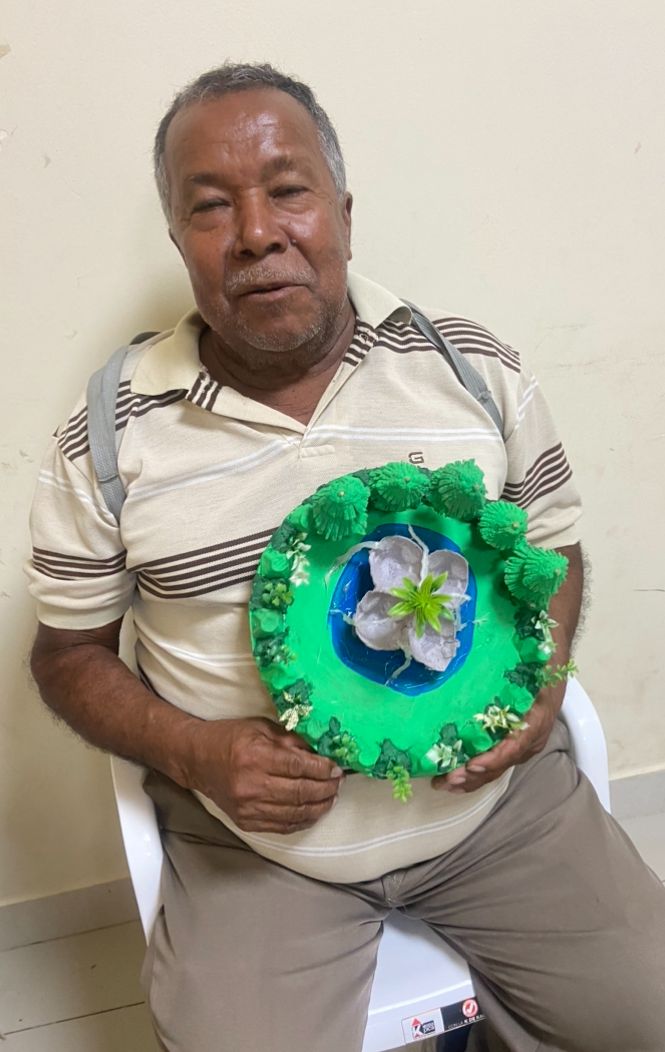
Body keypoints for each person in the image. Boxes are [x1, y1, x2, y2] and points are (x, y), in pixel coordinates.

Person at [27, 63, 665, 1052]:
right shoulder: (109, 433)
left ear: (343, 213)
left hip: (497, 813)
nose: (255, 232)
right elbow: (66, 655)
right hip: (257, 849)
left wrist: (541, 690)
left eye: (287, 189)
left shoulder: (470, 368)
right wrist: (198, 754)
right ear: (178, 239)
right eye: (210, 206)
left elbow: (550, 544)